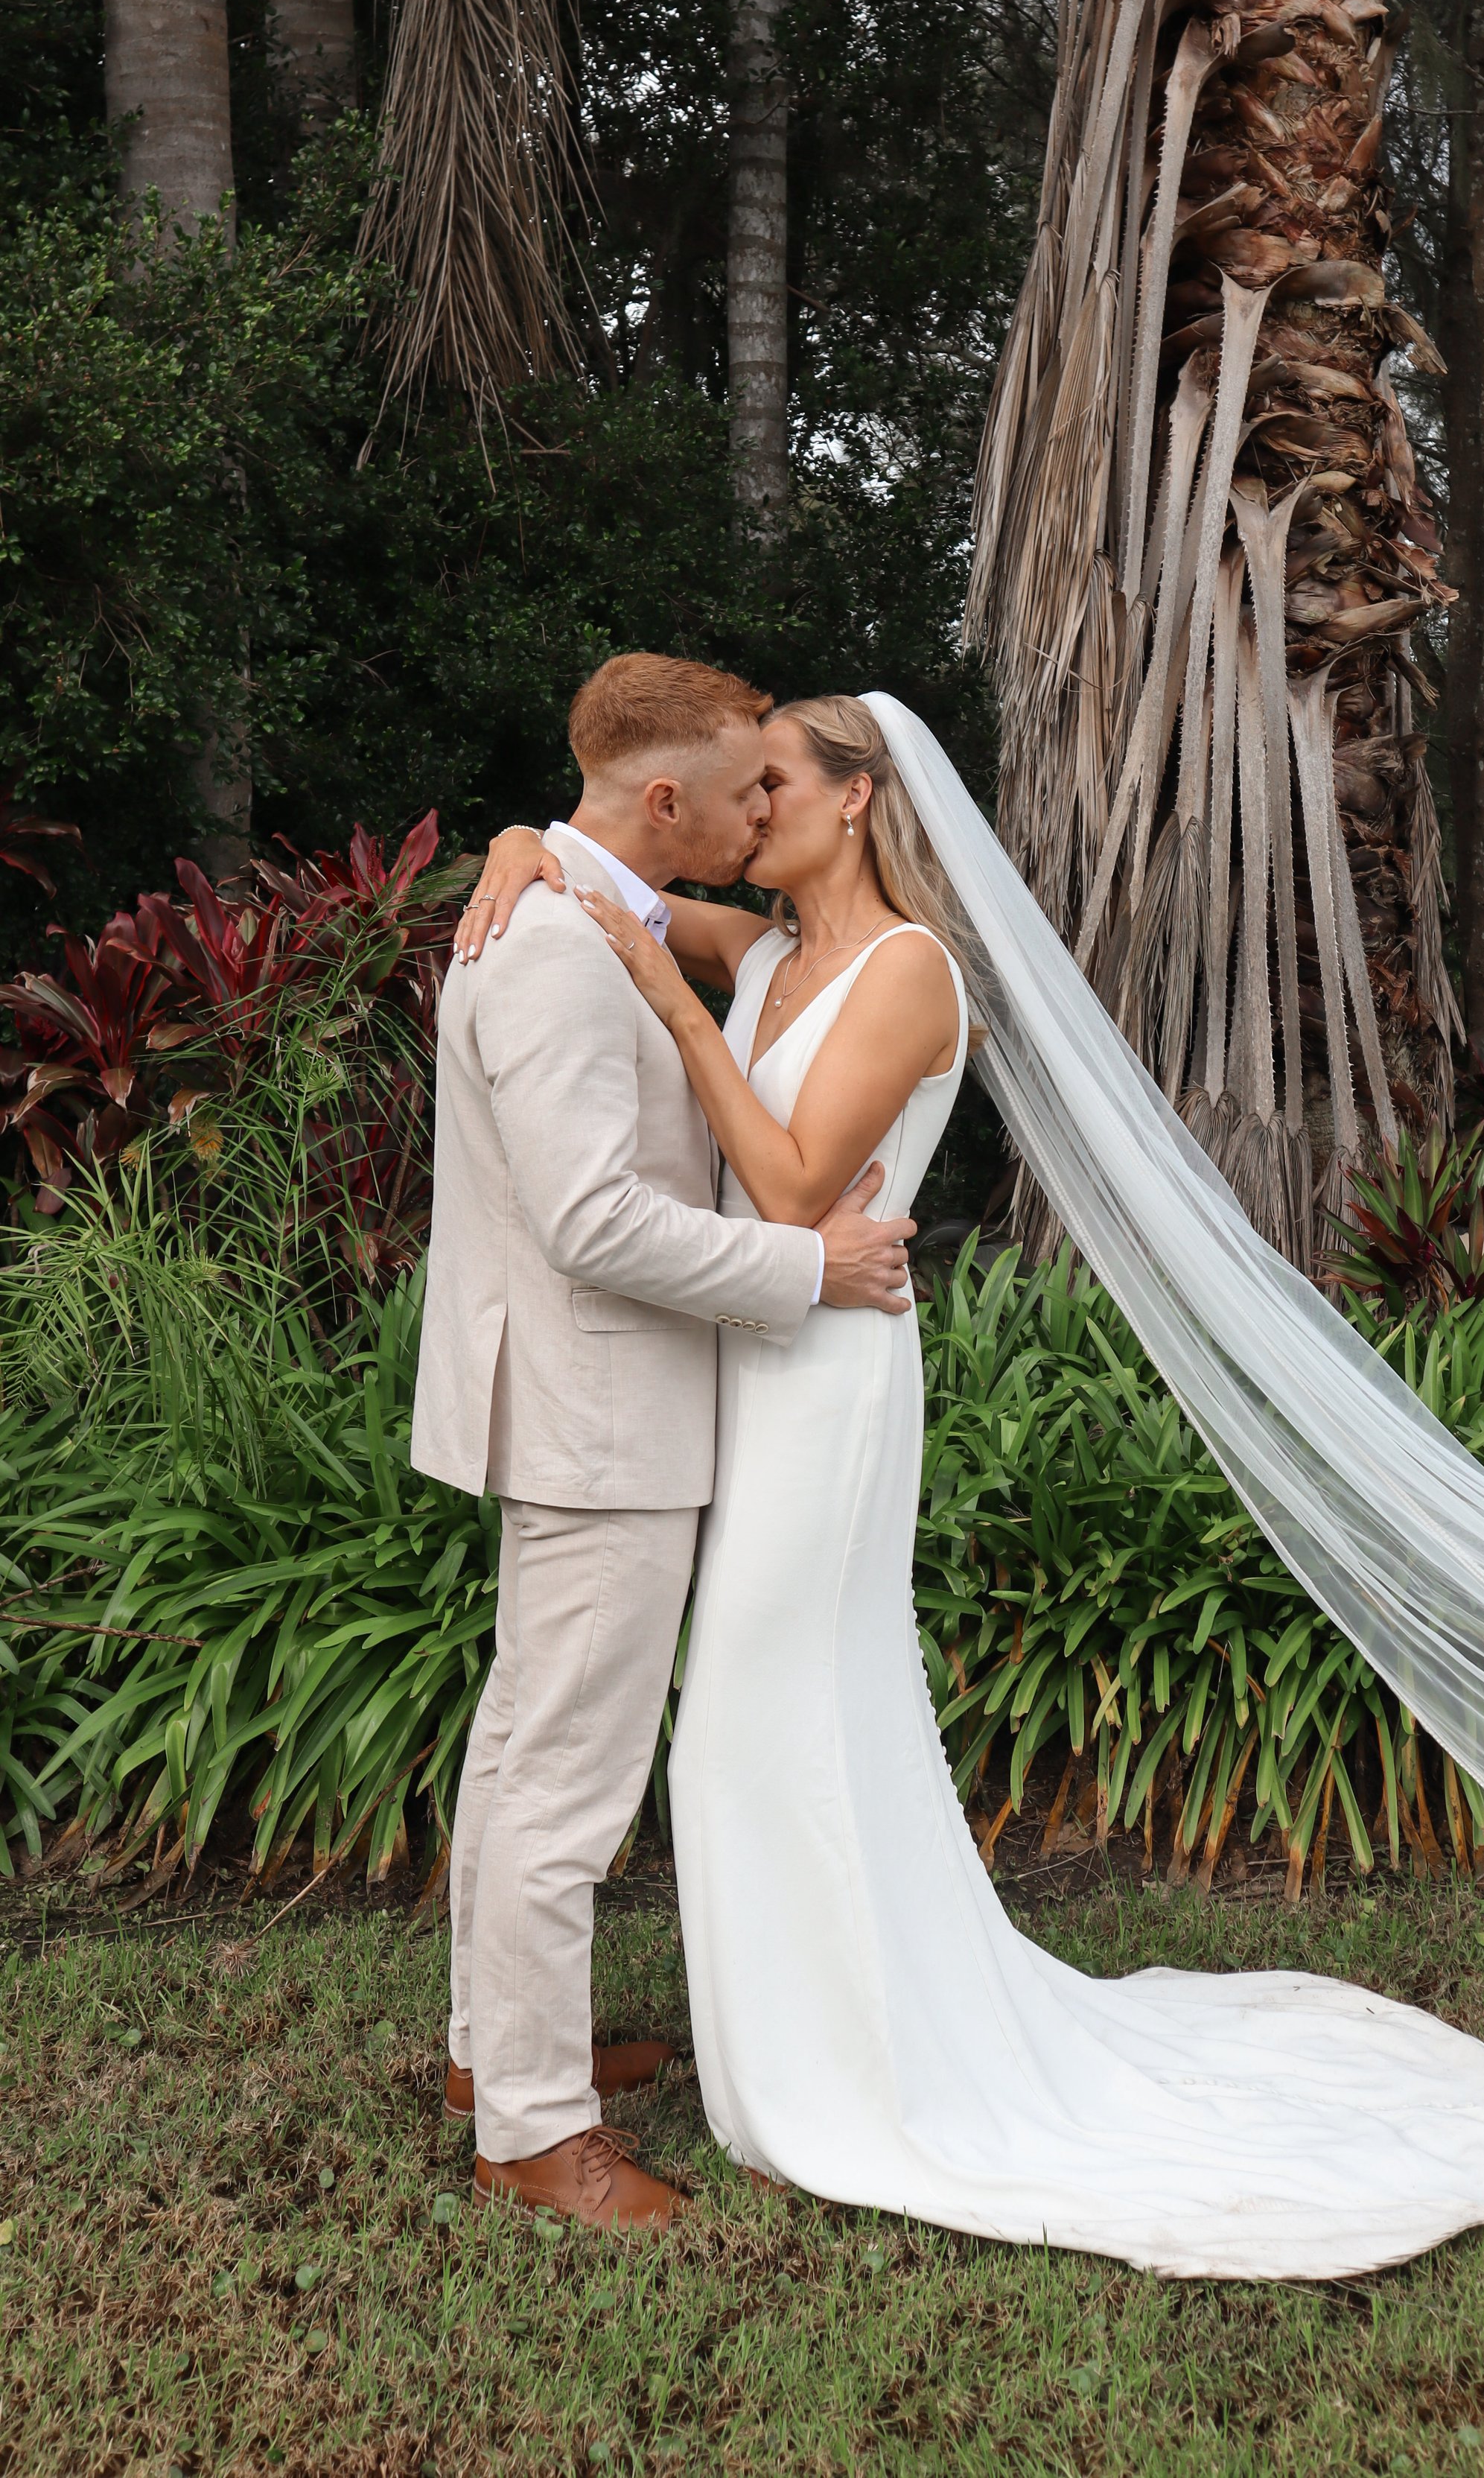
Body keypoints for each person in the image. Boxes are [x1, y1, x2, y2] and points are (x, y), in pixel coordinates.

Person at [458, 691, 1484, 2278]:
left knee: (768, 1711)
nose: (746, 811)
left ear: (853, 800)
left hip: (824, 1386)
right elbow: (607, 867)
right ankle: (766, 2035)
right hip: (746, 1374)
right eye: (739, 790)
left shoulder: (907, 975)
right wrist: (514, 840)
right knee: (744, 1733)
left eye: (771, 786)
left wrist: (671, 1008)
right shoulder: (763, 952)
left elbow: (784, 1184)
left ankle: (843, 2066)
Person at [413, 655, 917, 2237]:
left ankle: (495, 2061)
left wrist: (522, 840)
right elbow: (590, 1221)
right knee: (561, 1778)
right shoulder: (559, 951)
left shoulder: (571, 910)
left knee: (520, 1748)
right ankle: (534, 2136)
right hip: (598, 1415)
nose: (759, 802)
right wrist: (806, 1270)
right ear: (660, 802)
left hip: (582, 1407)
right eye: (739, 785)